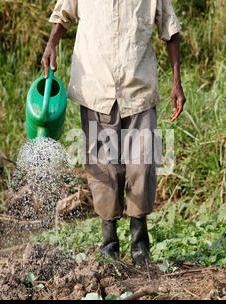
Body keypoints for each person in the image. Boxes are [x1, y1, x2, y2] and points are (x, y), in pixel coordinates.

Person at [42, 0, 186, 266]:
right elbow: (63, 16)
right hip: (97, 90)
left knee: (142, 166)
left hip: (139, 91)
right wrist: (51, 44)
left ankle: (140, 247)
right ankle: (109, 247)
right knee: (104, 171)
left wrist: (177, 82)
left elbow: (170, 30)